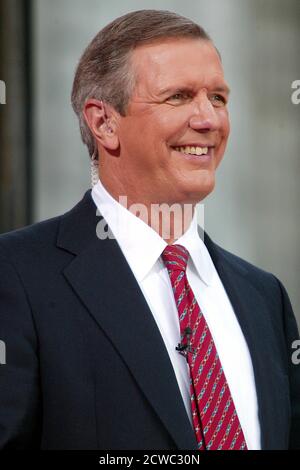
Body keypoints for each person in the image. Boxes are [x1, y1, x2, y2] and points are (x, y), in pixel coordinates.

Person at [0, 9, 299, 450]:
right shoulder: (17, 274)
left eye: (218, 98)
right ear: (103, 123)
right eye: (178, 97)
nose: (209, 120)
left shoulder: (264, 297)